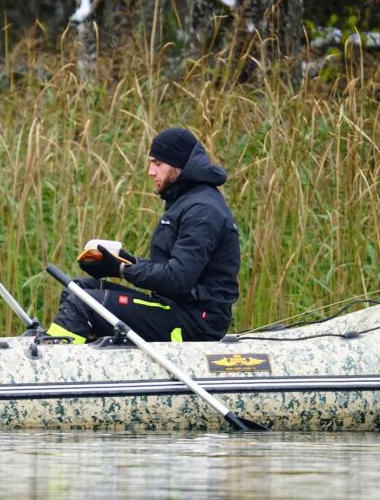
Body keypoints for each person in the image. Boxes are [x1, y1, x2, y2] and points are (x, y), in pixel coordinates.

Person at [47, 127, 240, 344]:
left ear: (179, 165)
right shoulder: (188, 202)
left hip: (195, 323)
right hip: (173, 308)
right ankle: (82, 356)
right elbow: (172, 268)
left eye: (158, 164)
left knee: (82, 304)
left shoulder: (203, 210)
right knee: (79, 290)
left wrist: (121, 269)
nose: (150, 171)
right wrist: (125, 260)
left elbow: (177, 280)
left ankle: (52, 364)